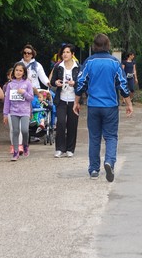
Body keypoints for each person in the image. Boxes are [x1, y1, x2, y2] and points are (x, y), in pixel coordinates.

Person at [73, 33, 133, 180]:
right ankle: (109, 162)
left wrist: (76, 101)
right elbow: (123, 84)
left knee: (94, 137)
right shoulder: (114, 62)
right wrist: (128, 103)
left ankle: (94, 169)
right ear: (108, 45)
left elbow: (80, 82)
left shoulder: (89, 62)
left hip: (93, 105)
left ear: (94, 46)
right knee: (111, 136)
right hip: (110, 105)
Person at [50, 43, 79, 157]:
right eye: (63, 52)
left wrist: (74, 83)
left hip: (73, 99)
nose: (65, 54)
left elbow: (82, 83)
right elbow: (52, 81)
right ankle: (59, 148)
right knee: (61, 123)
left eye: (67, 52)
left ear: (72, 54)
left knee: (72, 124)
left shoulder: (78, 67)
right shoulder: (58, 66)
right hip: (61, 99)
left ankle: (70, 149)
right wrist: (56, 83)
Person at [3, 62, 34, 160]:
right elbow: (7, 100)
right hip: (14, 111)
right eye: (16, 70)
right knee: (15, 131)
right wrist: (5, 114)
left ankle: (25, 145)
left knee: (24, 130)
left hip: (25, 111)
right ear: (13, 71)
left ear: (24, 72)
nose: (18, 72)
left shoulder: (27, 83)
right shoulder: (10, 85)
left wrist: (24, 92)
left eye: (21, 70)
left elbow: (31, 98)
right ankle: (15, 152)